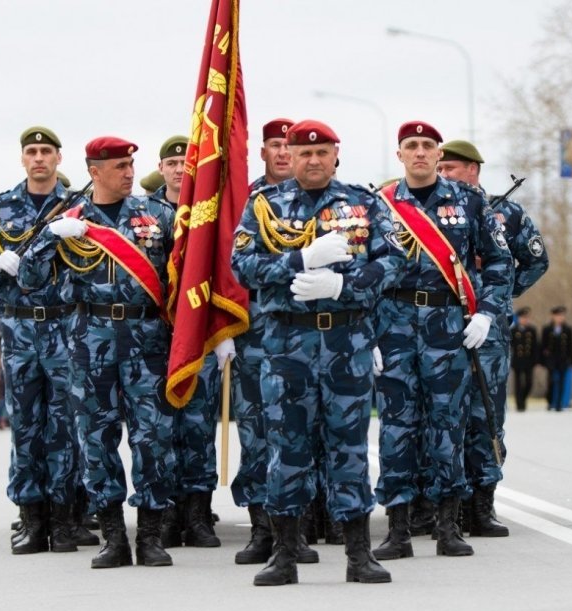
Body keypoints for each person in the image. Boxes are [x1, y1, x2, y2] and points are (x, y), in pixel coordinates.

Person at [232, 119, 406, 585]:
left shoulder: (364, 204)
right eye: (303, 153)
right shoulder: (265, 204)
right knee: (286, 447)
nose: (313, 160)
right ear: (288, 155)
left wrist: (343, 285)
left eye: (322, 152)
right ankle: (285, 554)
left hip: (345, 341)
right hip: (286, 343)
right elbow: (242, 264)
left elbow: (393, 262)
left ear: (336, 156)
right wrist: (300, 260)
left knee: (348, 447)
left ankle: (358, 554)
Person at [19, 135, 177, 569]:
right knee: (96, 438)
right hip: (89, 339)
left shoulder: (157, 214)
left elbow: (182, 278)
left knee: (152, 438)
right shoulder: (68, 217)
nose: (129, 172)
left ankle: (150, 536)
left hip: (146, 337)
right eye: (120, 166)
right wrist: (50, 237)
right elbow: (29, 277)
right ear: (95, 172)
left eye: (131, 164)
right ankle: (112, 536)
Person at [371, 127, 512, 560]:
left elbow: (500, 260)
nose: (419, 152)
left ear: (438, 154)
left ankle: (448, 525)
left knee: (447, 423)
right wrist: (367, 330)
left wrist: (487, 312)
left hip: (448, 324)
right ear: (399, 154)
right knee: (396, 426)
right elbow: (363, 266)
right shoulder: (381, 204)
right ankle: (398, 529)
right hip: (393, 325)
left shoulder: (468, 201)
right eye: (411, 146)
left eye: (427, 146)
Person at [0, 126, 79, 555]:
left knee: (64, 426)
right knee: (25, 425)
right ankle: (31, 518)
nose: (39, 158)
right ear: (23, 159)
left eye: (46, 151)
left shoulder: (77, 208)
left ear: (59, 159)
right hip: (19, 330)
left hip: (65, 328)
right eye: (32, 151)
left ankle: (65, 520)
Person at [434, 138, 546, 539]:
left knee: (486, 417)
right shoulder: (431, 212)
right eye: (440, 168)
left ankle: (482, 504)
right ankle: (439, 505)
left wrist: (498, 295)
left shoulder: (507, 213)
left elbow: (536, 260)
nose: (444, 174)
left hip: (490, 331)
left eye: (452, 168)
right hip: (441, 327)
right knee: (443, 416)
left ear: (473, 170)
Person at [232, 118, 319, 565]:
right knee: (255, 434)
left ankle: (298, 530)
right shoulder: (244, 202)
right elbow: (232, 267)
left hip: (309, 337)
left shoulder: (329, 201)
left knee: (302, 433)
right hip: (252, 336)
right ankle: (261, 530)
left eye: (290, 145)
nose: (284, 153)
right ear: (262, 153)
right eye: (275, 146)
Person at [150, 134, 226, 549]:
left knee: (198, 427)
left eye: (186, 161)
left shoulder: (209, 214)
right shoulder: (144, 214)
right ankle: (164, 514)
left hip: (199, 335)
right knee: (160, 429)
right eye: (172, 162)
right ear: (161, 169)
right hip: (155, 336)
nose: (180, 168)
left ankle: (198, 515)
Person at [541, 306, 572, 411]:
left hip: (563, 359)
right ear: (553, 316)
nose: (560, 318)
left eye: (562, 316)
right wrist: (543, 360)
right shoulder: (547, 329)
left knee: (561, 380)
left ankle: (559, 403)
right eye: (558, 316)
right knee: (551, 380)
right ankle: (550, 401)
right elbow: (543, 345)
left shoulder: (568, 329)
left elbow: (571, 346)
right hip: (551, 359)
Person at [511, 307, 539, 412]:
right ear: (518, 318)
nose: (525, 320)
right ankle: (519, 404)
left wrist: (536, 360)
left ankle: (523, 398)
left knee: (529, 382)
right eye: (522, 317)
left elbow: (536, 346)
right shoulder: (513, 330)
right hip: (518, 360)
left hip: (529, 360)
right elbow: (511, 345)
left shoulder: (532, 330)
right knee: (518, 383)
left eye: (526, 318)